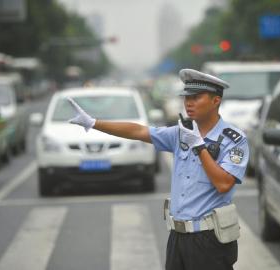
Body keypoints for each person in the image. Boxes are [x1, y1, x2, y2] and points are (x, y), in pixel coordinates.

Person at [67, 68, 249, 270]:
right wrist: (93, 123)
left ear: (216, 101)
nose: (188, 102)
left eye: (196, 97)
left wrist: (199, 146)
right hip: (178, 237)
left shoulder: (233, 140)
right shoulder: (181, 134)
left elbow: (223, 184)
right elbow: (138, 131)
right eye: (186, 97)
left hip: (209, 239)